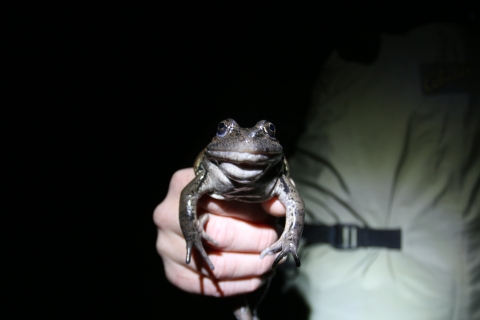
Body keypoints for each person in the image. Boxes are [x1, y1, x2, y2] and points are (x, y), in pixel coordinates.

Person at [154, 23, 479, 319]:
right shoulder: (309, 59)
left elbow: (294, 203)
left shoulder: (462, 42)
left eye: (268, 131)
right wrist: (191, 227)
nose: (254, 139)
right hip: (336, 287)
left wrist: (289, 239)